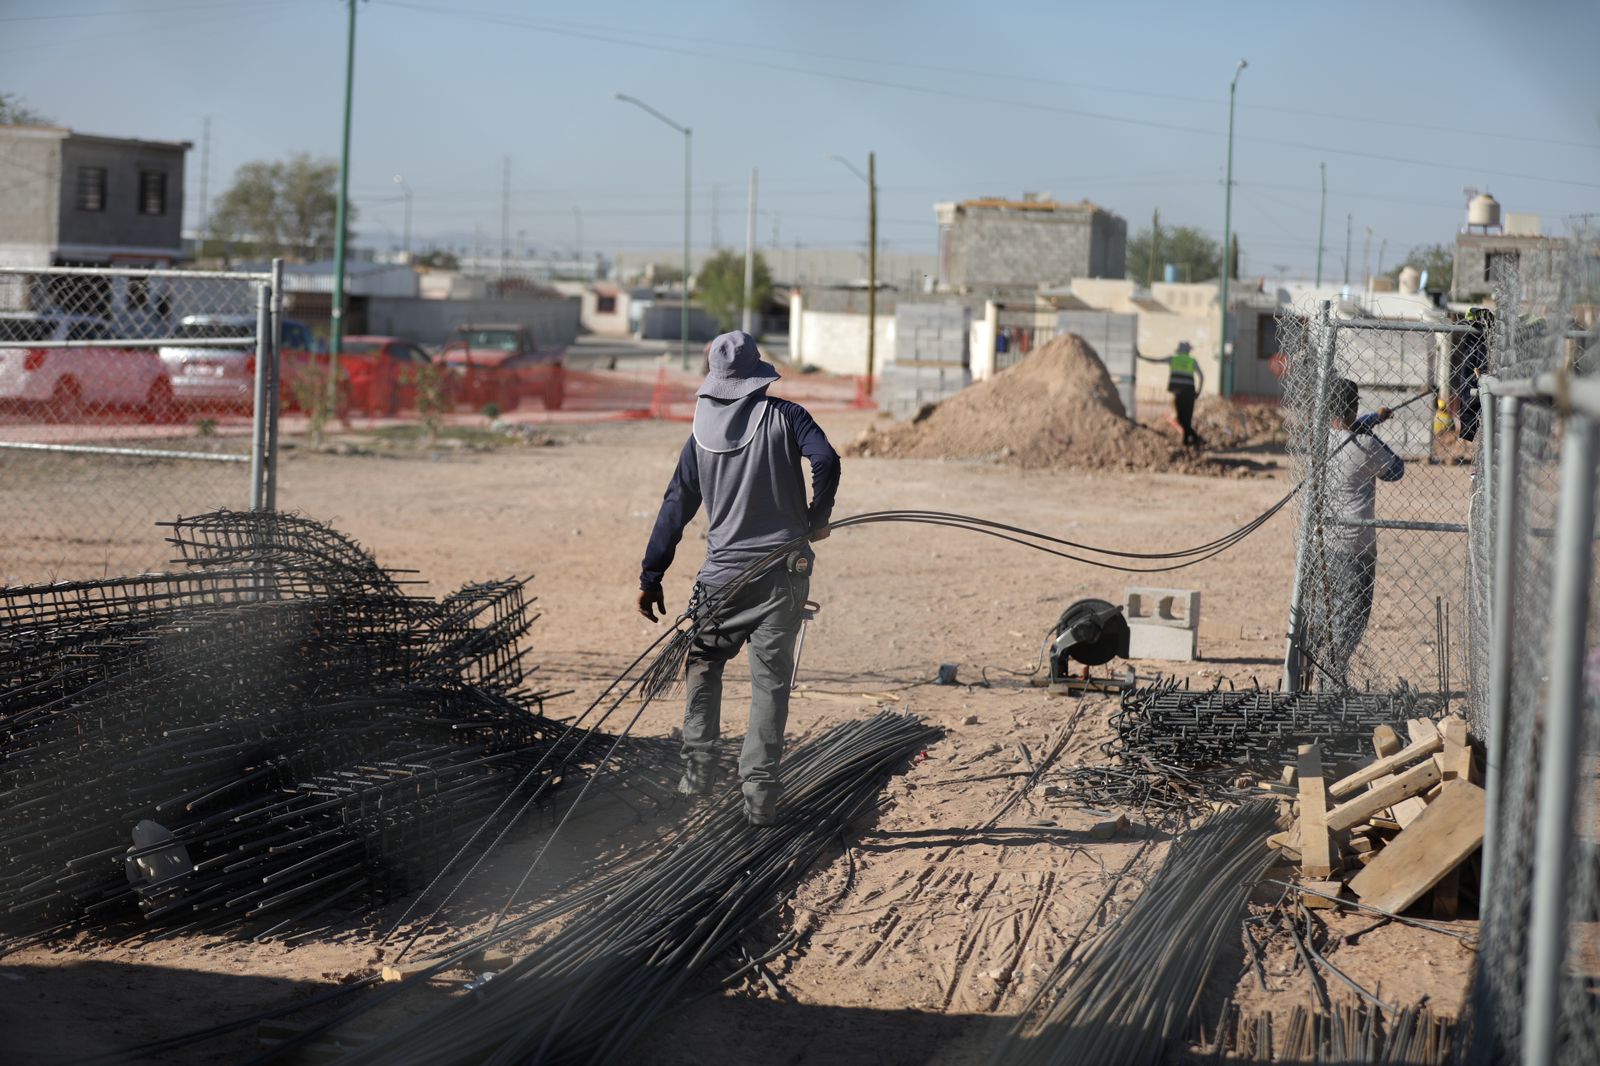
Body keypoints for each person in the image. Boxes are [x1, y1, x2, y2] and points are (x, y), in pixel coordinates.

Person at [637, 330, 840, 826]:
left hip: (719, 583)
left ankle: (696, 777)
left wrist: (652, 574)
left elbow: (675, 508)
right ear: (757, 378)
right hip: (781, 578)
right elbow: (827, 460)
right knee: (769, 685)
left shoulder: (699, 435)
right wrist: (817, 517)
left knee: (704, 667)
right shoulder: (788, 418)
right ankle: (759, 799)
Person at [1319, 377, 1403, 688]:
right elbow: (1396, 470)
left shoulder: (1322, 439)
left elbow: (1347, 429)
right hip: (1357, 544)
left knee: (1333, 610)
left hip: (1327, 540)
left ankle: (1326, 673)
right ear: (1354, 407)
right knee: (1353, 615)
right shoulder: (1367, 446)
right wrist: (1370, 431)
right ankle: (1333, 678)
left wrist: (1372, 420)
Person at [1137, 341, 1205, 448]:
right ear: (1188, 351)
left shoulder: (1173, 359)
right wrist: (1198, 392)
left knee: (1180, 418)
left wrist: (1141, 357)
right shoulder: (1192, 361)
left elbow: (1156, 361)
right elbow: (1201, 376)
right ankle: (1193, 439)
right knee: (1186, 418)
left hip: (1178, 393)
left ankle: (1189, 441)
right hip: (1189, 393)